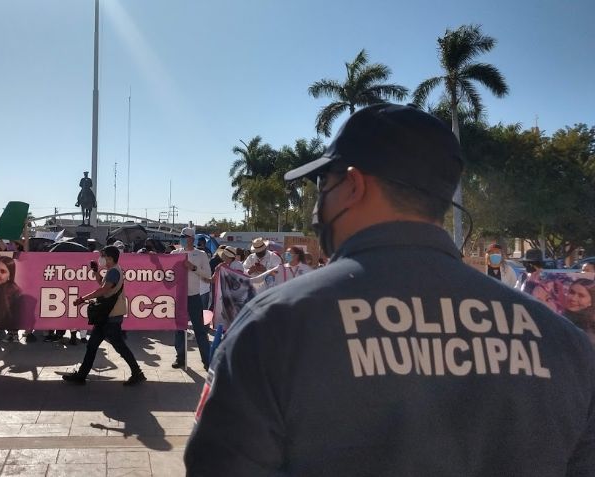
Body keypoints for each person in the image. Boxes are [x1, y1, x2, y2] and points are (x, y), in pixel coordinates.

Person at [186, 104, 595, 475]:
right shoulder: (565, 345)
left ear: (353, 185)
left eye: (322, 185)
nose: (317, 206)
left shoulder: (275, 326)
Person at [63, 245, 145, 385]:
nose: (101, 258)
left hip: (111, 316)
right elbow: (103, 285)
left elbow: (103, 290)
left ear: (110, 258)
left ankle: (137, 373)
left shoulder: (113, 271)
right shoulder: (112, 270)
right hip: (107, 316)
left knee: (119, 346)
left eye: (103, 256)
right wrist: (96, 272)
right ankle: (81, 375)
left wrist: (83, 299)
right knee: (93, 345)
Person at [171, 227, 212, 370]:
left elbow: (208, 276)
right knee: (179, 329)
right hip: (179, 297)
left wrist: (193, 268)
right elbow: (166, 272)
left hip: (194, 297)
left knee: (199, 330)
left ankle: (207, 361)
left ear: (191, 239)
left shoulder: (200, 255)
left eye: (184, 236)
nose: (181, 238)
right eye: (181, 236)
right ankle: (180, 358)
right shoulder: (175, 253)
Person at [0, 256, 26, 342]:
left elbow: (16, 315)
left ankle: (13, 335)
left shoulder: (14, 291)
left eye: (3, 271)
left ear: (10, 275)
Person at [563, 278, 595, 345]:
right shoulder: (564, 317)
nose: (573, 298)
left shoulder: (588, 328)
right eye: (572, 292)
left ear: (591, 302)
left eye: (581, 296)